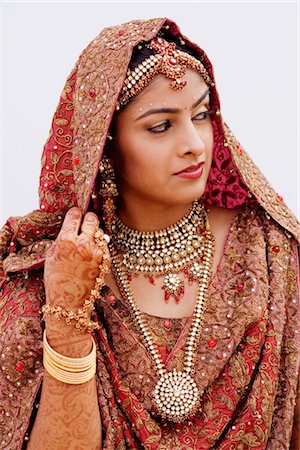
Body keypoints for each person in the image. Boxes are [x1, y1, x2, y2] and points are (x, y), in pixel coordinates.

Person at [0, 17, 299, 450]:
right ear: (104, 148)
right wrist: (67, 315)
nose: (194, 143)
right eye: (160, 126)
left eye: (201, 115)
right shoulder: (48, 276)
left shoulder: (268, 250)